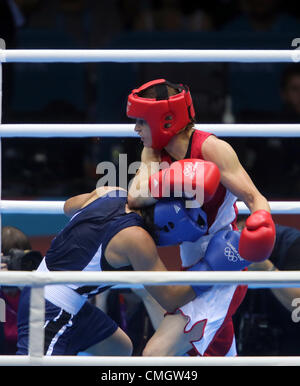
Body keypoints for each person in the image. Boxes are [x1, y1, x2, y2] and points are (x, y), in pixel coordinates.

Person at [126, 78, 276, 356]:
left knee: (156, 355)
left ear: (165, 121)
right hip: (191, 261)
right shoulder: (153, 152)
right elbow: (134, 197)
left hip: (224, 259)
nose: (136, 128)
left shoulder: (212, 149)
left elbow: (255, 198)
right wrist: (169, 180)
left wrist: (262, 225)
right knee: (214, 354)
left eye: (142, 121)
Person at [16, 186, 197, 356]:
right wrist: (210, 269)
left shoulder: (112, 192)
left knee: (119, 348)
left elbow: (68, 206)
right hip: (51, 312)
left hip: (60, 299)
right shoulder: (136, 238)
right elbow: (171, 298)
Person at [234, 219, 300, 355]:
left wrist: (267, 270)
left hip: (290, 347)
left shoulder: (293, 245)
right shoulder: (224, 248)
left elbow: (298, 306)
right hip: (242, 345)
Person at [0, 226, 42, 355]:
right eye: (8, 257)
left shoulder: (38, 286)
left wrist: (27, 287)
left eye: (18, 257)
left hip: (33, 354)